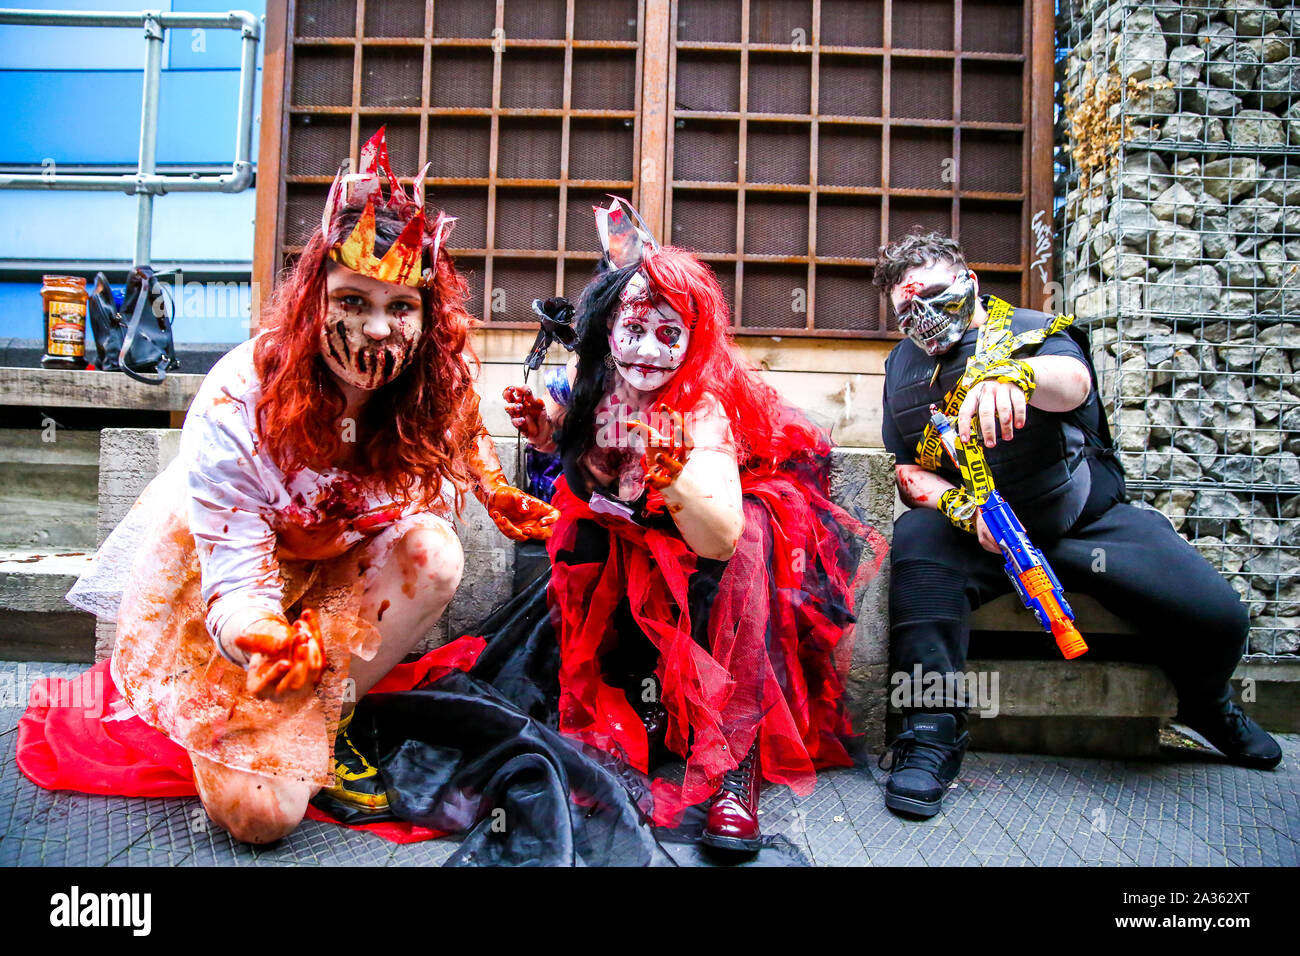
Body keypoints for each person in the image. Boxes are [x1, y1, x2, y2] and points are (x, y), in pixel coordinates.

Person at [17, 128, 557, 844]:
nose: (375, 330)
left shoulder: (435, 374)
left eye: (401, 306)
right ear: (313, 299)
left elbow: (459, 432)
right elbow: (236, 583)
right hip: (228, 586)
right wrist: (264, 639)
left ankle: (325, 720)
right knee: (260, 820)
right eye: (353, 299)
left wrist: (495, 491)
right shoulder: (240, 400)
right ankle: (253, 714)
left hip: (342, 567)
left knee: (436, 553)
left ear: (428, 317)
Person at [501, 200, 886, 851]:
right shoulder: (586, 378)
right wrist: (550, 435)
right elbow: (583, 474)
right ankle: (604, 726)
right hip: (630, 538)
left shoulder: (700, 405)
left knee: (749, 545)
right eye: (633, 329)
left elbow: (717, 533)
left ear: (691, 336)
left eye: (667, 333)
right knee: (579, 528)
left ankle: (736, 762)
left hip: (708, 534)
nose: (647, 350)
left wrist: (663, 457)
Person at [874, 230, 1282, 819]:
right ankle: (931, 732)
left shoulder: (1030, 330)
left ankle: (1207, 704)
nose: (925, 315)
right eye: (908, 308)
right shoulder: (901, 368)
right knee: (916, 545)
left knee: (1219, 616)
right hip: (987, 535)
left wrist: (1015, 379)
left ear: (971, 283)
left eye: (935, 294)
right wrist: (965, 510)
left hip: (1085, 523)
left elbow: (1074, 384)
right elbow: (909, 471)